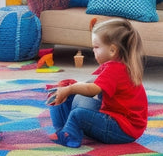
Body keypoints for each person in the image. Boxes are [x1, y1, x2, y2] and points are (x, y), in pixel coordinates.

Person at [48, 18, 147, 148]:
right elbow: (93, 81)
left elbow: (92, 89)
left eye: (96, 47)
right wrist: (71, 87)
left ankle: (70, 137)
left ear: (112, 50)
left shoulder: (115, 69)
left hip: (123, 129)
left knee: (78, 114)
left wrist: (70, 89)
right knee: (78, 98)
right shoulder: (118, 66)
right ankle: (66, 127)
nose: (93, 50)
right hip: (119, 120)